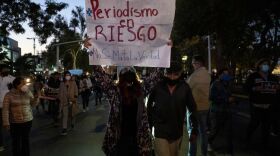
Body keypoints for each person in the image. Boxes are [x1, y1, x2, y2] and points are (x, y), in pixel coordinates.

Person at [147, 61, 198, 156]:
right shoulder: (157, 87)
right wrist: (151, 124)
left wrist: (194, 129)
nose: (172, 77)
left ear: (180, 74)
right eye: (169, 74)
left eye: (175, 74)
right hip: (160, 131)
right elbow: (149, 106)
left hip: (177, 131)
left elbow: (192, 109)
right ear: (164, 73)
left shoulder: (185, 88)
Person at [102, 66, 153, 156]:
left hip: (138, 139)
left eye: (131, 78)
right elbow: (102, 78)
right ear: (121, 79)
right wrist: (95, 59)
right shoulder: (115, 92)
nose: (129, 82)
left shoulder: (140, 91)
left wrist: (162, 62)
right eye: (126, 78)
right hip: (119, 138)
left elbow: (154, 79)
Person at [245, 58, 280, 149]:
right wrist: (254, 89)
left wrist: (277, 88)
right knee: (254, 124)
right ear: (259, 66)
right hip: (256, 105)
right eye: (263, 64)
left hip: (269, 106)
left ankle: (264, 146)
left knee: (266, 127)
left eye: (267, 64)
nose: (266, 66)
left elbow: (277, 89)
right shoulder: (253, 76)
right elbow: (246, 88)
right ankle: (247, 139)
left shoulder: (273, 77)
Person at [2, 77, 39, 156]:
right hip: (15, 122)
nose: (25, 85)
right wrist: (6, 122)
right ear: (16, 85)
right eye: (22, 83)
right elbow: (5, 109)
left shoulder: (27, 92)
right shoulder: (9, 95)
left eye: (25, 83)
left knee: (25, 140)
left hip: (27, 120)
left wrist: (36, 98)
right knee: (16, 141)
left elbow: (33, 105)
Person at [187, 55, 211, 156]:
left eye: (193, 63)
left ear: (198, 63)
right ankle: (204, 153)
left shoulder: (195, 75)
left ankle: (192, 154)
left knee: (192, 132)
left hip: (194, 107)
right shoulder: (207, 74)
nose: (192, 65)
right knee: (203, 132)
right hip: (205, 107)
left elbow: (187, 88)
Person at [208, 69, 234, 155]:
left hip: (226, 110)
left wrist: (232, 100)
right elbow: (211, 97)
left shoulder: (228, 84)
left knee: (228, 131)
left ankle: (229, 150)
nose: (226, 76)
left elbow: (229, 95)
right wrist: (227, 99)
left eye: (227, 74)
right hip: (216, 110)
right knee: (215, 129)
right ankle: (208, 142)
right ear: (219, 75)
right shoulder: (215, 84)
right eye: (224, 74)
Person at [58, 71, 78, 135]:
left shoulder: (73, 83)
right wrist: (60, 100)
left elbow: (76, 91)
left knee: (72, 114)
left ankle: (72, 122)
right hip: (64, 102)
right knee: (65, 115)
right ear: (64, 76)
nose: (67, 76)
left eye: (68, 75)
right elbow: (60, 93)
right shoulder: (62, 84)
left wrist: (74, 98)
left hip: (72, 101)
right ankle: (64, 129)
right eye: (66, 75)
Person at [0, 64, 15, 152]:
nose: (7, 71)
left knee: (11, 122)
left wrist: (12, 88)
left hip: (9, 105)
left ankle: (14, 139)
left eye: (8, 69)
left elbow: (19, 87)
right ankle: (1, 143)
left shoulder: (11, 78)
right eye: (5, 69)